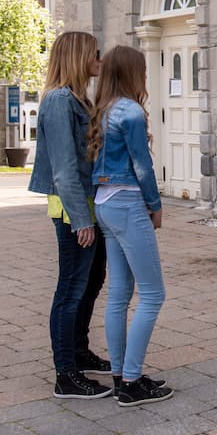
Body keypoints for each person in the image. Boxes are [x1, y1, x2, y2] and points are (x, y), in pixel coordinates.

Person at [28, 31, 113, 399]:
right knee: (71, 288)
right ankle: (66, 374)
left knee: (91, 282)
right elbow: (63, 170)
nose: (99, 60)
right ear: (78, 57)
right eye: (95, 54)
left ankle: (79, 351)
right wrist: (80, 220)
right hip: (72, 210)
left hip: (88, 205)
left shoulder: (77, 99)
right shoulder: (60, 100)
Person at [88, 45, 173, 407]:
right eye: (142, 70)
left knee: (120, 293)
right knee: (153, 294)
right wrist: (155, 205)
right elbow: (142, 165)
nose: (145, 76)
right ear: (131, 73)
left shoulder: (103, 109)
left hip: (104, 202)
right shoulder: (132, 112)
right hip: (127, 202)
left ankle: (122, 374)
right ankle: (131, 382)